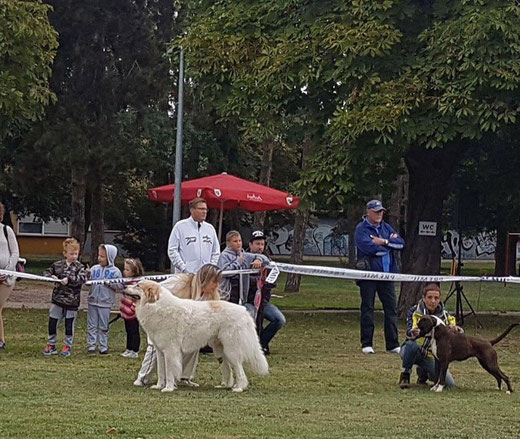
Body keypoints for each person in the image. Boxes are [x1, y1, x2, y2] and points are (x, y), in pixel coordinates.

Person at [134, 263, 222, 387]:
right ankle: (143, 378)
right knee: (155, 346)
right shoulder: (179, 282)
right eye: (214, 282)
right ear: (204, 280)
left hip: (183, 324)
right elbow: (156, 290)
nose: (217, 286)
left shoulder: (210, 295)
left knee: (195, 340)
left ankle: (183, 377)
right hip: (162, 320)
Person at [355, 199, 404, 354]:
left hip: (387, 274)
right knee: (368, 308)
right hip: (368, 275)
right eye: (376, 211)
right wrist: (389, 244)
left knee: (391, 309)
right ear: (368, 212)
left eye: (381, 211)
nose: (379, 214)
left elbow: (400, 244)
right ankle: (366, 343)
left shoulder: (386, 227)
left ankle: (392, 344)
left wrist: (384, 241)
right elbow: (369, 248)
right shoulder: (361, 229)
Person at [399, 283, 457, 389]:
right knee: (411, 345)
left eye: (436, 298)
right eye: (430, 297)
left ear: (440, 300)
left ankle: (424, 373)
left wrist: (455, 330)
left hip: (433, 355)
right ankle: (405, 375)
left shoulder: (445, 315)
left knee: (449, 384)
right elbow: (408, 333)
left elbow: (457, 332)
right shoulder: (414, 312)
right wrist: (413, 332)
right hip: (416, 349)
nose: (433, 301)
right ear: (424, 298)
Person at [42, 238, 88, 357]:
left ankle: (67, 345)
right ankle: (51, 344)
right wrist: (51, 276)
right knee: (53, 322)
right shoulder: (57, 265)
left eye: (76, 254)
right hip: (57, 300)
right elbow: (46, 272)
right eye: (71, 254)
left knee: (69, 325)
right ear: (65, 253)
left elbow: (82, 279)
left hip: (72, 302)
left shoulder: (80, 267)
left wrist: (69, 280)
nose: (74, 256)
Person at [244, 230, 285, 355]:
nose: (260, 247)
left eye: (262, 244)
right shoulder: (243, 259)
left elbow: (272, 282)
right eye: (257, 244)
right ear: (250, 245)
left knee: (279, 320)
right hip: (246, 301)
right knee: (252, 316)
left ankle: (262, 344)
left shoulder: (268, 262)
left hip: (263, 302)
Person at [87, 244, 123, 355]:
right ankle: (91, 346)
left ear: (110, 257)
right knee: (92, 324)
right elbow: (88, 283)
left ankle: (103, 346)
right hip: (92, 301)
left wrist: (111, 284)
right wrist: (87, 275)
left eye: (102, 256)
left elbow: (120, 286)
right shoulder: (94, 269)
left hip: (105, 303)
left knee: (103, 325)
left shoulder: (115, 272)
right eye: (99, 256)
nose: (99, 258)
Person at [167, 197, 220, 273]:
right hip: (185, 277)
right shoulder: (180, 226)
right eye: (201, 209)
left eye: (205, 209)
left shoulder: (210, 228)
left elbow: (216, 252)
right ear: (192, 210)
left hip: (205, 276)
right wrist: (184, 268)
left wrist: (210, 268)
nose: (204, 212)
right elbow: (172, 250)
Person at [218, 230, 269, 304]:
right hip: (227, 294)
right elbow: (224, 272)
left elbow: (265, 258)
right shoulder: (224, 256)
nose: (238, 243)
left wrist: (259, 259)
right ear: (228, 243)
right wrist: (238, 262)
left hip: (241, 294)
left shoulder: (244, 255)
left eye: (240, 240)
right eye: (235, 241)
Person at [0, 202, 20, 351]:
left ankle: (1, 339)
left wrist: (6, 271)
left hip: (6, 278)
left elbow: (15, 253)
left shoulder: (6, 231)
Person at [120, 258, 144, 359]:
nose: (125, 272)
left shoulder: (137, 285)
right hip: (126, 312)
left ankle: (135, 350)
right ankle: (129, 348)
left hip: (133, 312)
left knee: (134, 331)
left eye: (127, 270)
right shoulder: (126, 283)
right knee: (128, 331)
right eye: (124, 269)